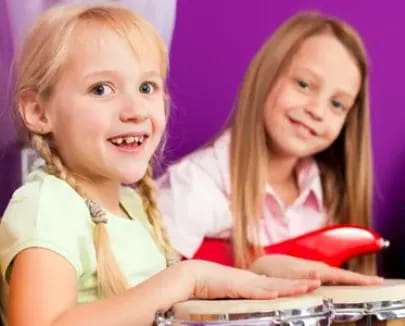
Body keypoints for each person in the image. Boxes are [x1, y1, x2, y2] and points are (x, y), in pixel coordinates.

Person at [0, 4, 327, 325]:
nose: (135, 110)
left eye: (146, 87)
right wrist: (187, 278)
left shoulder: (130, 206)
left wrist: (256, 274)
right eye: (101, 89)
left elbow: (147, 308)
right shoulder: (47, 206)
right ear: (39, 112)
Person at [157, 11, 376, 274]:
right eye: (304, 84)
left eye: (337, 104)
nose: (318, 111)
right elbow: (144, 288)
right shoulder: (197, 185)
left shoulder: (331, 199)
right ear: (267, 75)